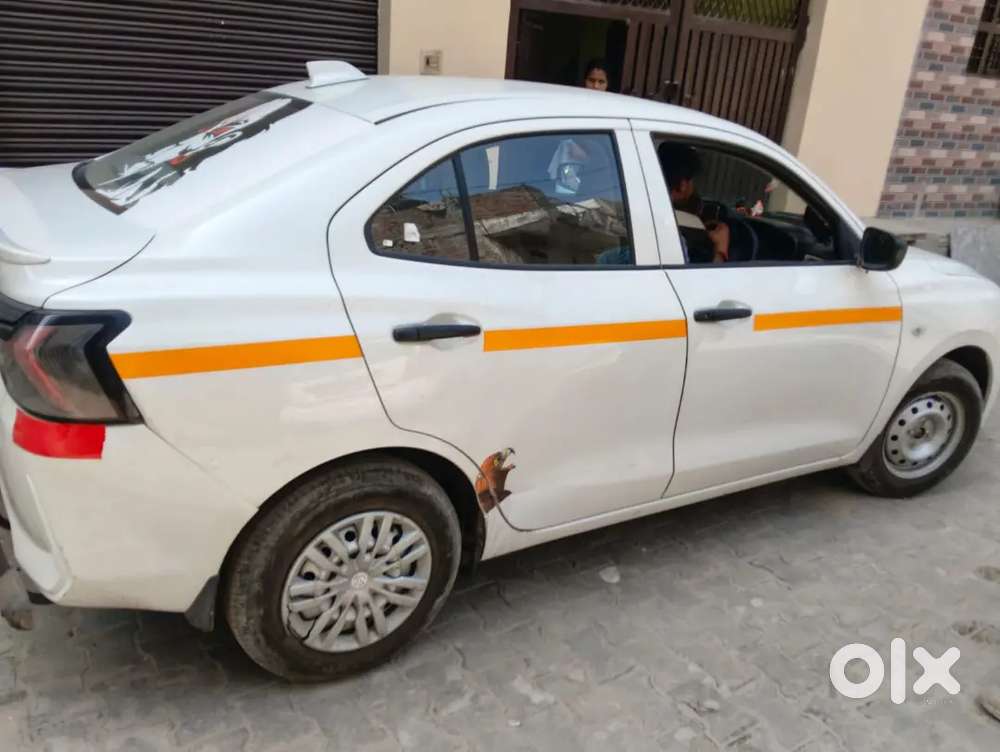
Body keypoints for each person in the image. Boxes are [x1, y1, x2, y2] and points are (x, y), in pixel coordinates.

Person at [657, 142, 730, 264]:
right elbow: (702, 282)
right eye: (693, 182)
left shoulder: (639, 214)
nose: (694, 188)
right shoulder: (675, 240)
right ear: (683, 185)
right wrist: (720, 249)